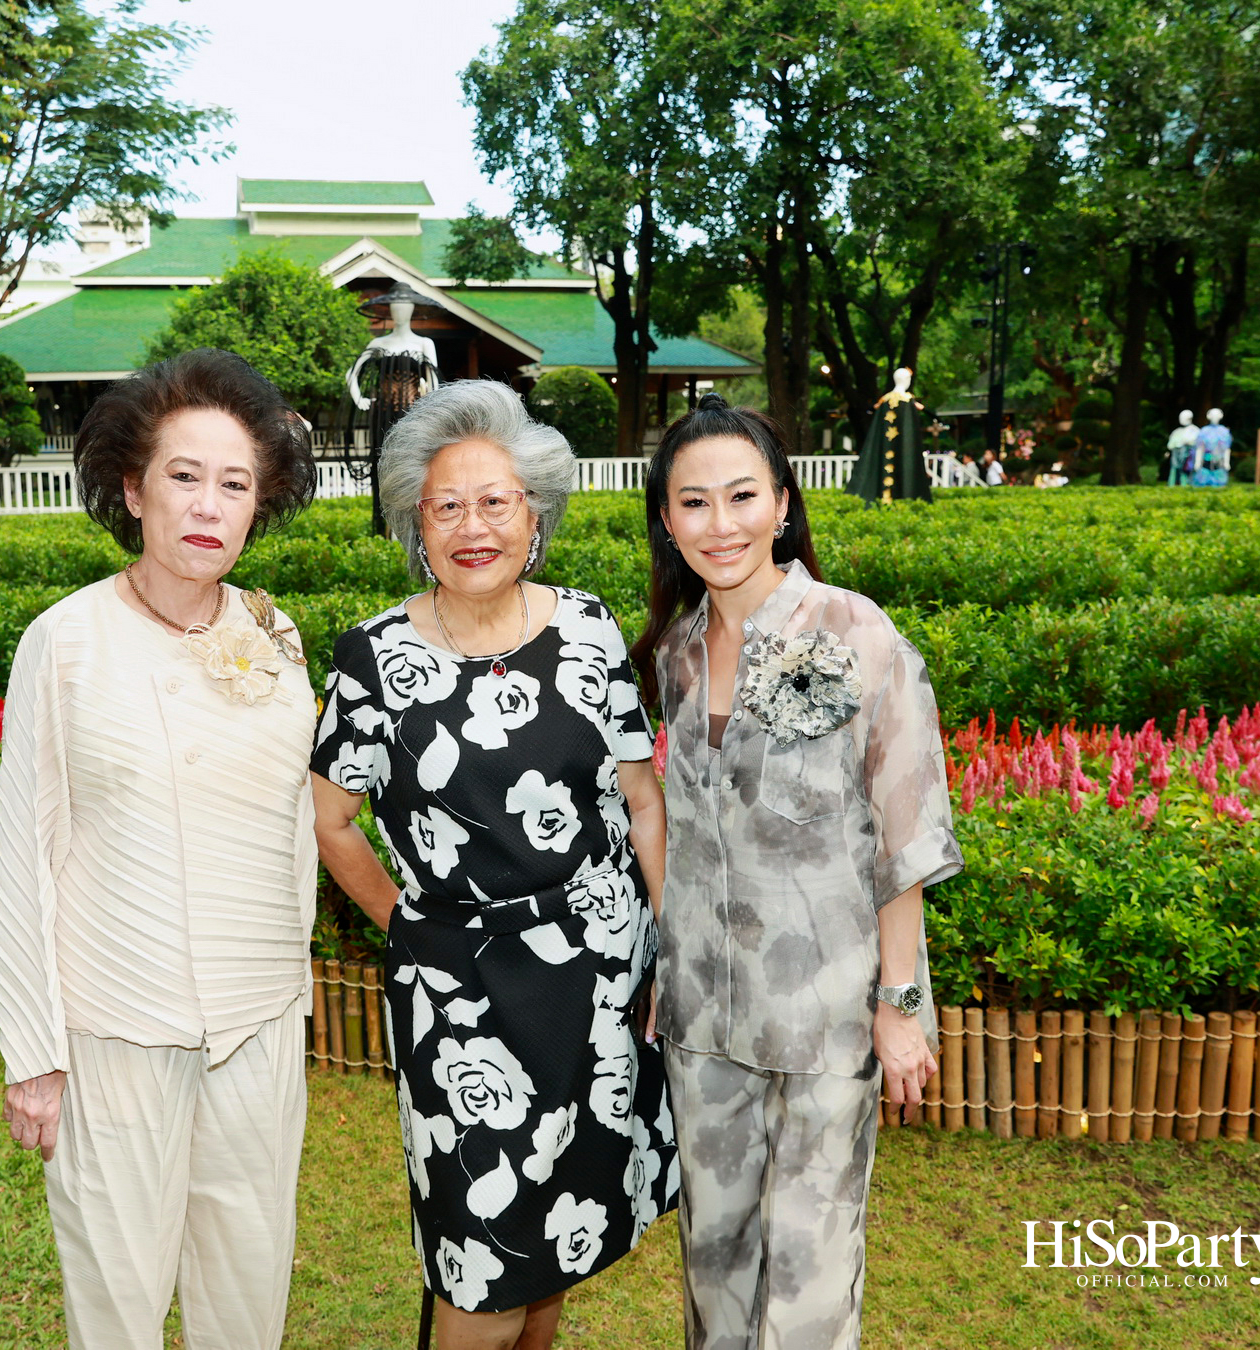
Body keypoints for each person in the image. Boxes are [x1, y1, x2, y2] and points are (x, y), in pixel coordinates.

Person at [311, 379, 678, 1350]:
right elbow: (332, 820)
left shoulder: (592, 630)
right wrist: (407, 924)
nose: (473, 526)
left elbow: (641, 799)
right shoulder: (373, 657)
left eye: (496, 501)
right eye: (447, 506)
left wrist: (667, 945)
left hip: (600, 978)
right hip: (459, 997)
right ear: (414, 525)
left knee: (561, 1235)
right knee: (481, 1264)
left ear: (536, 514)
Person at [0, 348, 319, 1350]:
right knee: (118, 1304)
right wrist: (34, 1054)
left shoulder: (276, 636)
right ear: (132, 489)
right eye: (184, 476)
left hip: (260, 1030)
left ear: (260, 504)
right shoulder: (67, 641)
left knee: (247, 1297)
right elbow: (23, 855)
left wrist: (292, 988)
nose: (208, 506)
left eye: (235, 483)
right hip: (114, 1031)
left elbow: (294, 830)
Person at [632, 394, 962, 1350]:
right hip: (704, 1014)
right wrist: (668, 962)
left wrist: (899, 1001)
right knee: (715, 1259)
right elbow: (686, 830)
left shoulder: (855, 632)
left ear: (782, 503)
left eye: (742, 496)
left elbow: (906, 825)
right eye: (694, 503)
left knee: (810, 1275)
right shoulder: (678, 653)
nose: (720, 523)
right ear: (667, 518)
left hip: (827, 1010)